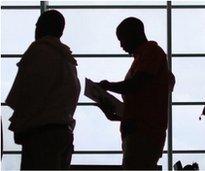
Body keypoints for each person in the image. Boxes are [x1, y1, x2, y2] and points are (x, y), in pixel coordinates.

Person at [5, 10, 80, 170]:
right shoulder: (69, 61)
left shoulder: (38, 51)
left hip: (41, 135)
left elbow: (25, 95)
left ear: (41, 27)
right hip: (63, 134)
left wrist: (21, 124)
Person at [98, 17, 175, 170]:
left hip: (144, 133)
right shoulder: (145, 58)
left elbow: (136, 84)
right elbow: (141, 97)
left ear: (133, 35)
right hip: (140, 132)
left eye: (122, 39)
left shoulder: (151, 53)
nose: (121, 45)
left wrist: (108, 86)